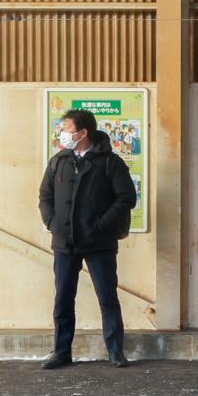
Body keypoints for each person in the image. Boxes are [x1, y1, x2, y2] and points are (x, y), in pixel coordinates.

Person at [38, 109, 137, 370]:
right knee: (63, 299)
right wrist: (52, 223)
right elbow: (45, 197)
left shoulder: (109, 163)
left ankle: (115, 351)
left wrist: (102, 225)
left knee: (107, 298)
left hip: (99, 243)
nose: (62, 133)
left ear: (82, 133)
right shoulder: (58, 160)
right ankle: (61, 352)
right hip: (64, 243)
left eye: (66, 128)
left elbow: (126, 198)